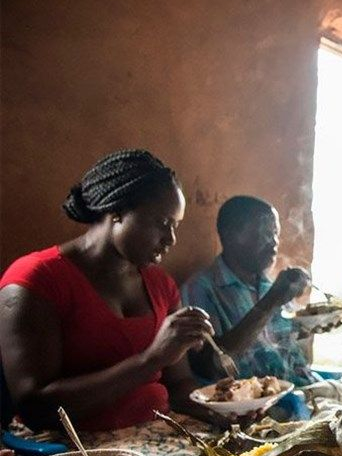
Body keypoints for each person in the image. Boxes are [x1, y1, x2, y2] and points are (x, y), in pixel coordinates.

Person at [0, 149, 214, 432]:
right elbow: (36, 408)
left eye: (175, 226)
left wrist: (223, 409)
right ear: (117, 212)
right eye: (162, 223)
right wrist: (150, 360)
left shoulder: (160, 285)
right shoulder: (37, 280)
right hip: (70, 453)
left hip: (157, 438)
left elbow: (179, 384)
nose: (171, 239)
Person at [181, 196, 316, 387]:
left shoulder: (268, 284)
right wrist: (271, 301)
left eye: (275, 233)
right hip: (254, 401)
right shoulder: (201, 289)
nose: (274, 242)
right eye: (264, 234)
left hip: (300, 387)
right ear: (229, 235)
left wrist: (312, 325)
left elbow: (286, 348)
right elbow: (210, 366)